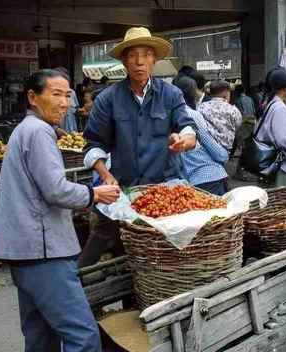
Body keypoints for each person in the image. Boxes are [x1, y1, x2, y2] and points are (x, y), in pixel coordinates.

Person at [0, 69, 121, 352]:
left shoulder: (25, 130)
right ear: (33, 98)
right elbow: (56, 190)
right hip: (43, 252)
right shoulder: (38, 132)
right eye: (56, 94)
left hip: (23, 252)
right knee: (82, 336)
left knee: (40, 337)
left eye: (68, 95)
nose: (64, 103)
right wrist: (95, 193)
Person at [78, 27, 197, 268]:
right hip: (125, 187)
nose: (139, 62)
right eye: (132, 55)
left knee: (168, 250)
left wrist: (184, 141)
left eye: (145, 54)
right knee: (103, 237)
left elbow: (188, 128)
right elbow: (93, 143)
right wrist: (105, 174)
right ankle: (77, 287)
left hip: (166, 187)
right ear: (124, 61)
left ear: (154, 59)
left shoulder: (171, 94)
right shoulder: (107, 99)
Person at [173, 76, 230, 195]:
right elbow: (212, 147)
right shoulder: (191, 114)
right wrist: (224, 155)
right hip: (208, 177)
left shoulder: (166, 114)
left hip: (186, 182)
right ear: (192, 93)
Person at [255, 67, 286, 187]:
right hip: (282, 168)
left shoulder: (269, 104)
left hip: (269, 165)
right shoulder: (280, 108)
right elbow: (285, 140)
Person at [197, 80, 242, 153]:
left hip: (206, 150)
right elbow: (238, 126)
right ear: (226, 93)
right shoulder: (233, 110)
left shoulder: (201, 107)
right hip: (225, 150)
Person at [54, 67, 79, 133]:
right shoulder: (51, 94)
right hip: (59, 128)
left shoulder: (72, 92)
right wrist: (56, 129)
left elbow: (76, 109)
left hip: (72, 127)